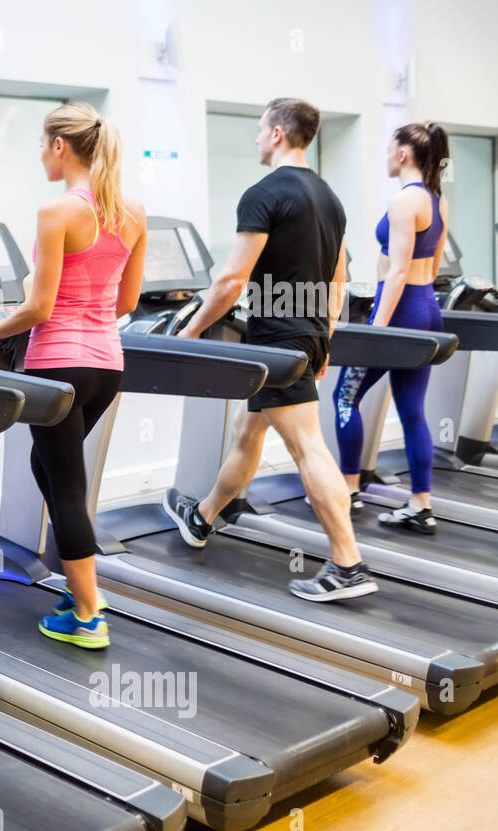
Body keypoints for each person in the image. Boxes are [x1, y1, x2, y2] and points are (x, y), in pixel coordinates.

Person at [163, 97, 378, 602]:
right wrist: (324, 340)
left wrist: (188, 335)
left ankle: (348, 564)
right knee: (247, 432)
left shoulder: (262, 194)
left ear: (278, 134)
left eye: (261, 130)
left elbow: (231, 280)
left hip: (275, 338)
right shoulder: (330, 198)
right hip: (302, 334)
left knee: (307, 446)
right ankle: (203, 516)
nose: (257, 138)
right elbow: (337, 282)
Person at [0, 102, 147, 648]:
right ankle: (83, 585)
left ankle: (87, 614)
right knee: (51, 467)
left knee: (65, 486)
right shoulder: (133, 212)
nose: (41, 153)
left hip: (56, 367)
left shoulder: (57, 212)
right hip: (106, 367)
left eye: (42, 143)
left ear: (61, 146)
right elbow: (126, 299)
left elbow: (39, 308)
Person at [333, 123, 451, 534]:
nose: (386, 156)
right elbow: (432, 268)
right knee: (413, 410)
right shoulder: (437, 200)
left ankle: (348, 491)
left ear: (403, 154)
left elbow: (398, 269)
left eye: (388, 149)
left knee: (345, 396)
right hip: (426, 307)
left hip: (398, 312)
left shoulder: (404, 202)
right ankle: (421, 503)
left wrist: (376, 329)